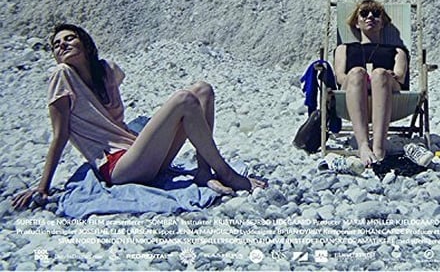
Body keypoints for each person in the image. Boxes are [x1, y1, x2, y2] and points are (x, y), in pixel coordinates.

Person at [12, 23, 263, 210]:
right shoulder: (62, 75)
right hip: (118, 165)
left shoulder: (107, 72)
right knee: (184, 99)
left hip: (139, 153)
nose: (62, 45)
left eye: (69, 38)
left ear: (85, 44)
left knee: (203, 90)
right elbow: (60, 134)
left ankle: (204, 172)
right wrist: (42, 187)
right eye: (56, 44)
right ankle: (226, 173)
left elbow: (116, 111)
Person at [333, 0, 408, 167]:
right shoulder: (343, 49)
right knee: (357, 72)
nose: (370, 17)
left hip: (386, 89)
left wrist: (382, 77)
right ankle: (363, 145)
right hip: (352, 89)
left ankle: (379, 147)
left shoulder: (397, 51)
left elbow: (400, 77)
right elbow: (340, 77)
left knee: (379, 74)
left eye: (376, 14)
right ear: (356, 22)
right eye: (364, 13)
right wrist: (361, 79)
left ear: (383, 22)